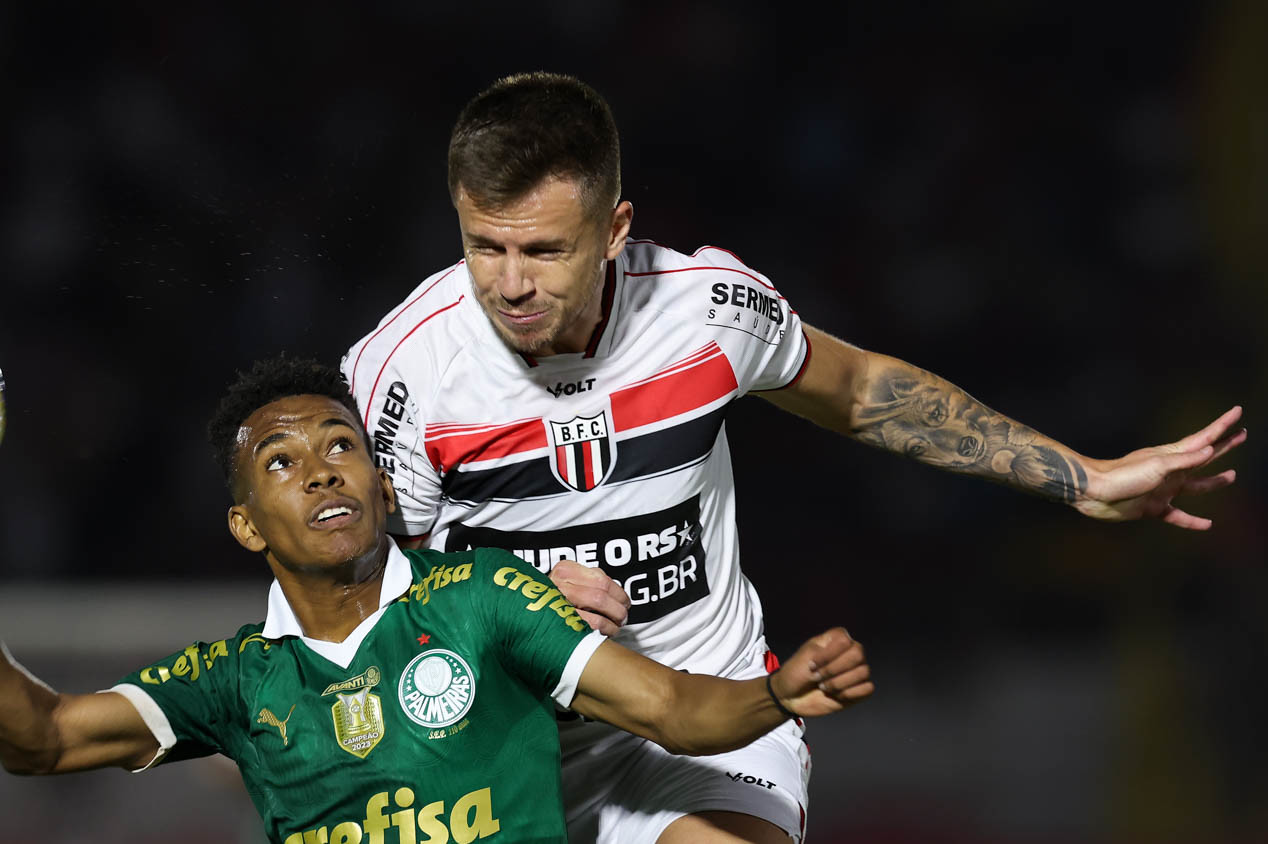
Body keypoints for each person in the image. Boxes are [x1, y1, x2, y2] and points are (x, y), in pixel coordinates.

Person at [340, 72, 1246, 844]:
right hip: (500, 738)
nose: (509, 283)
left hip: (704, 723)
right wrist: (499, 596)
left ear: (615, 230)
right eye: (483, 247)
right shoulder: (407, 372)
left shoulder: (707, 313)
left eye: (543, 250)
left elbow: (857, 392)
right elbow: (350, 590)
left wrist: (1081, 477)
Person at [0, 357, 873, 844]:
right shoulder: (238, 679)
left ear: (385, 487)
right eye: (282, 461)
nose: (323, 469)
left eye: (342, 446)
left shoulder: (485, 598)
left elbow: (675, 711)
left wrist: (781, 691)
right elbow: (45, 740)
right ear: (247, 524)